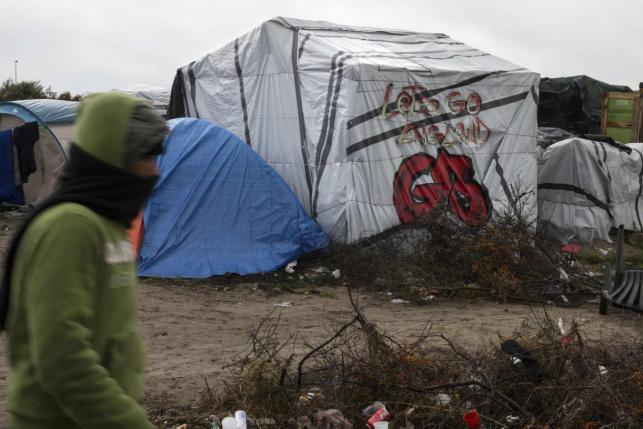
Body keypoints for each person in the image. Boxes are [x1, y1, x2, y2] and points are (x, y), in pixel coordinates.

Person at [0, 93, 168, 428]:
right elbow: (62, 357)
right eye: (145, 156)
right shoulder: (70, 227)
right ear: (113, 156)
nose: (154, 171)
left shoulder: (109, 224)